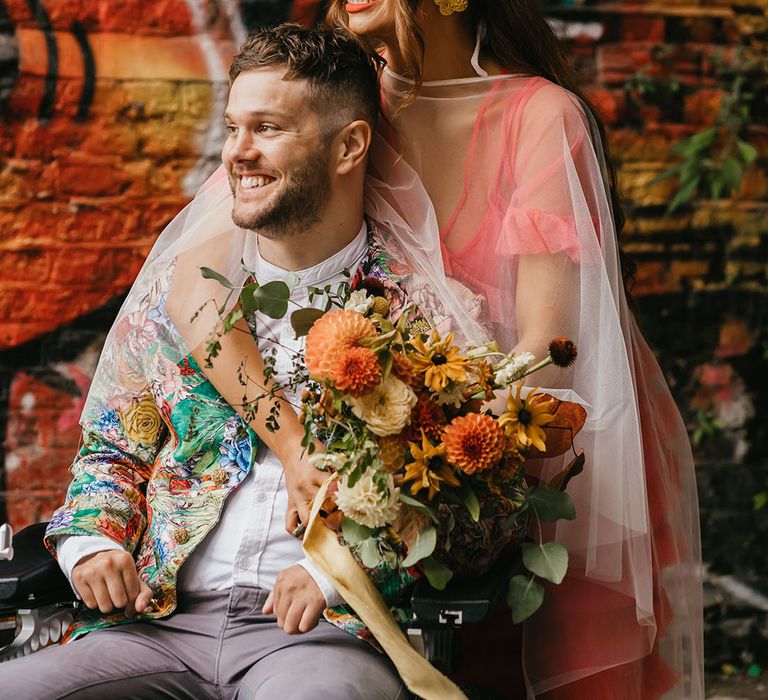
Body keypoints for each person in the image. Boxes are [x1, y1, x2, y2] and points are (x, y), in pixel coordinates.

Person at [0, 24, 418, 700]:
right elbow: (109, 456)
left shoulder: (415, 314)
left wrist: (345, 571)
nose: (237, 155)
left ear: (350, 146)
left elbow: (469, 511)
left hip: (323, 640)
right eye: (232, 128)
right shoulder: (178, 302)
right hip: (155, 626)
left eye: (268, 128)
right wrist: (91, 546)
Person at [321, 1, 705, 698]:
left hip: (538, 445)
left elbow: (547, 343)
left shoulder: (542, 116)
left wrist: (436, 443)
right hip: (381, 452)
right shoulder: (346, 113)